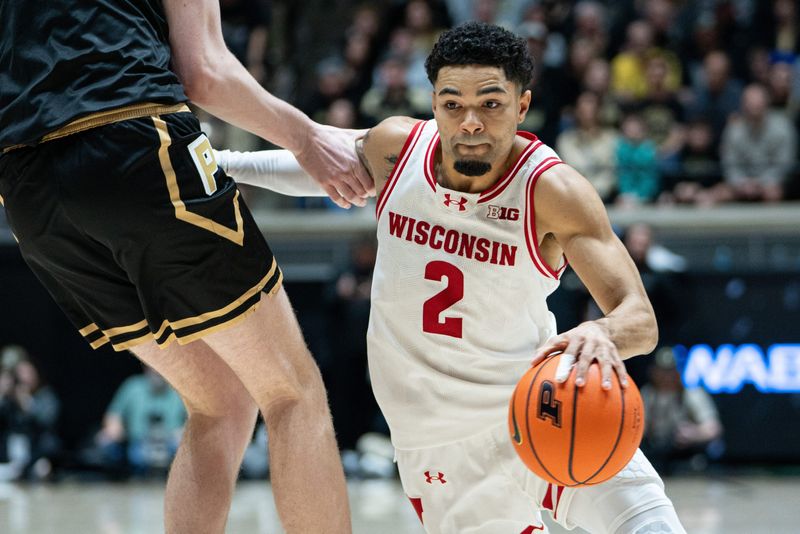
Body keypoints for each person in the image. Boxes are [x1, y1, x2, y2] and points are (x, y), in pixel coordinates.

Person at [219, 22, 687, 534]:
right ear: (434, 103)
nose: (469, 122)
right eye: (452, 104)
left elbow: (639, 319)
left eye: (491, 104)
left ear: (522, 106)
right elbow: (320, 164)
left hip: (537, 404)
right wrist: (220, 164)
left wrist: (603, 331)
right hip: (434, 445)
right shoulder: (399, 148)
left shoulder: (551, 191)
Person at [0, 1, 373, 532]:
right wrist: (308, 137)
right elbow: (205, 72)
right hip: (129, 138)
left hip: (28, 192)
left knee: (219, 400)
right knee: (292, 390)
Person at [95, 366, 186, 475]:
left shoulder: (180, 388)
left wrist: (185, 433)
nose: (157, 373)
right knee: (107, 442)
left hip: (171, 444)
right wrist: (114, 428)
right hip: (138, 443)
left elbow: (196, 418)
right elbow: (114, 414)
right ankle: (119, 479)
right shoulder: (133, 386)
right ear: (146, 368)